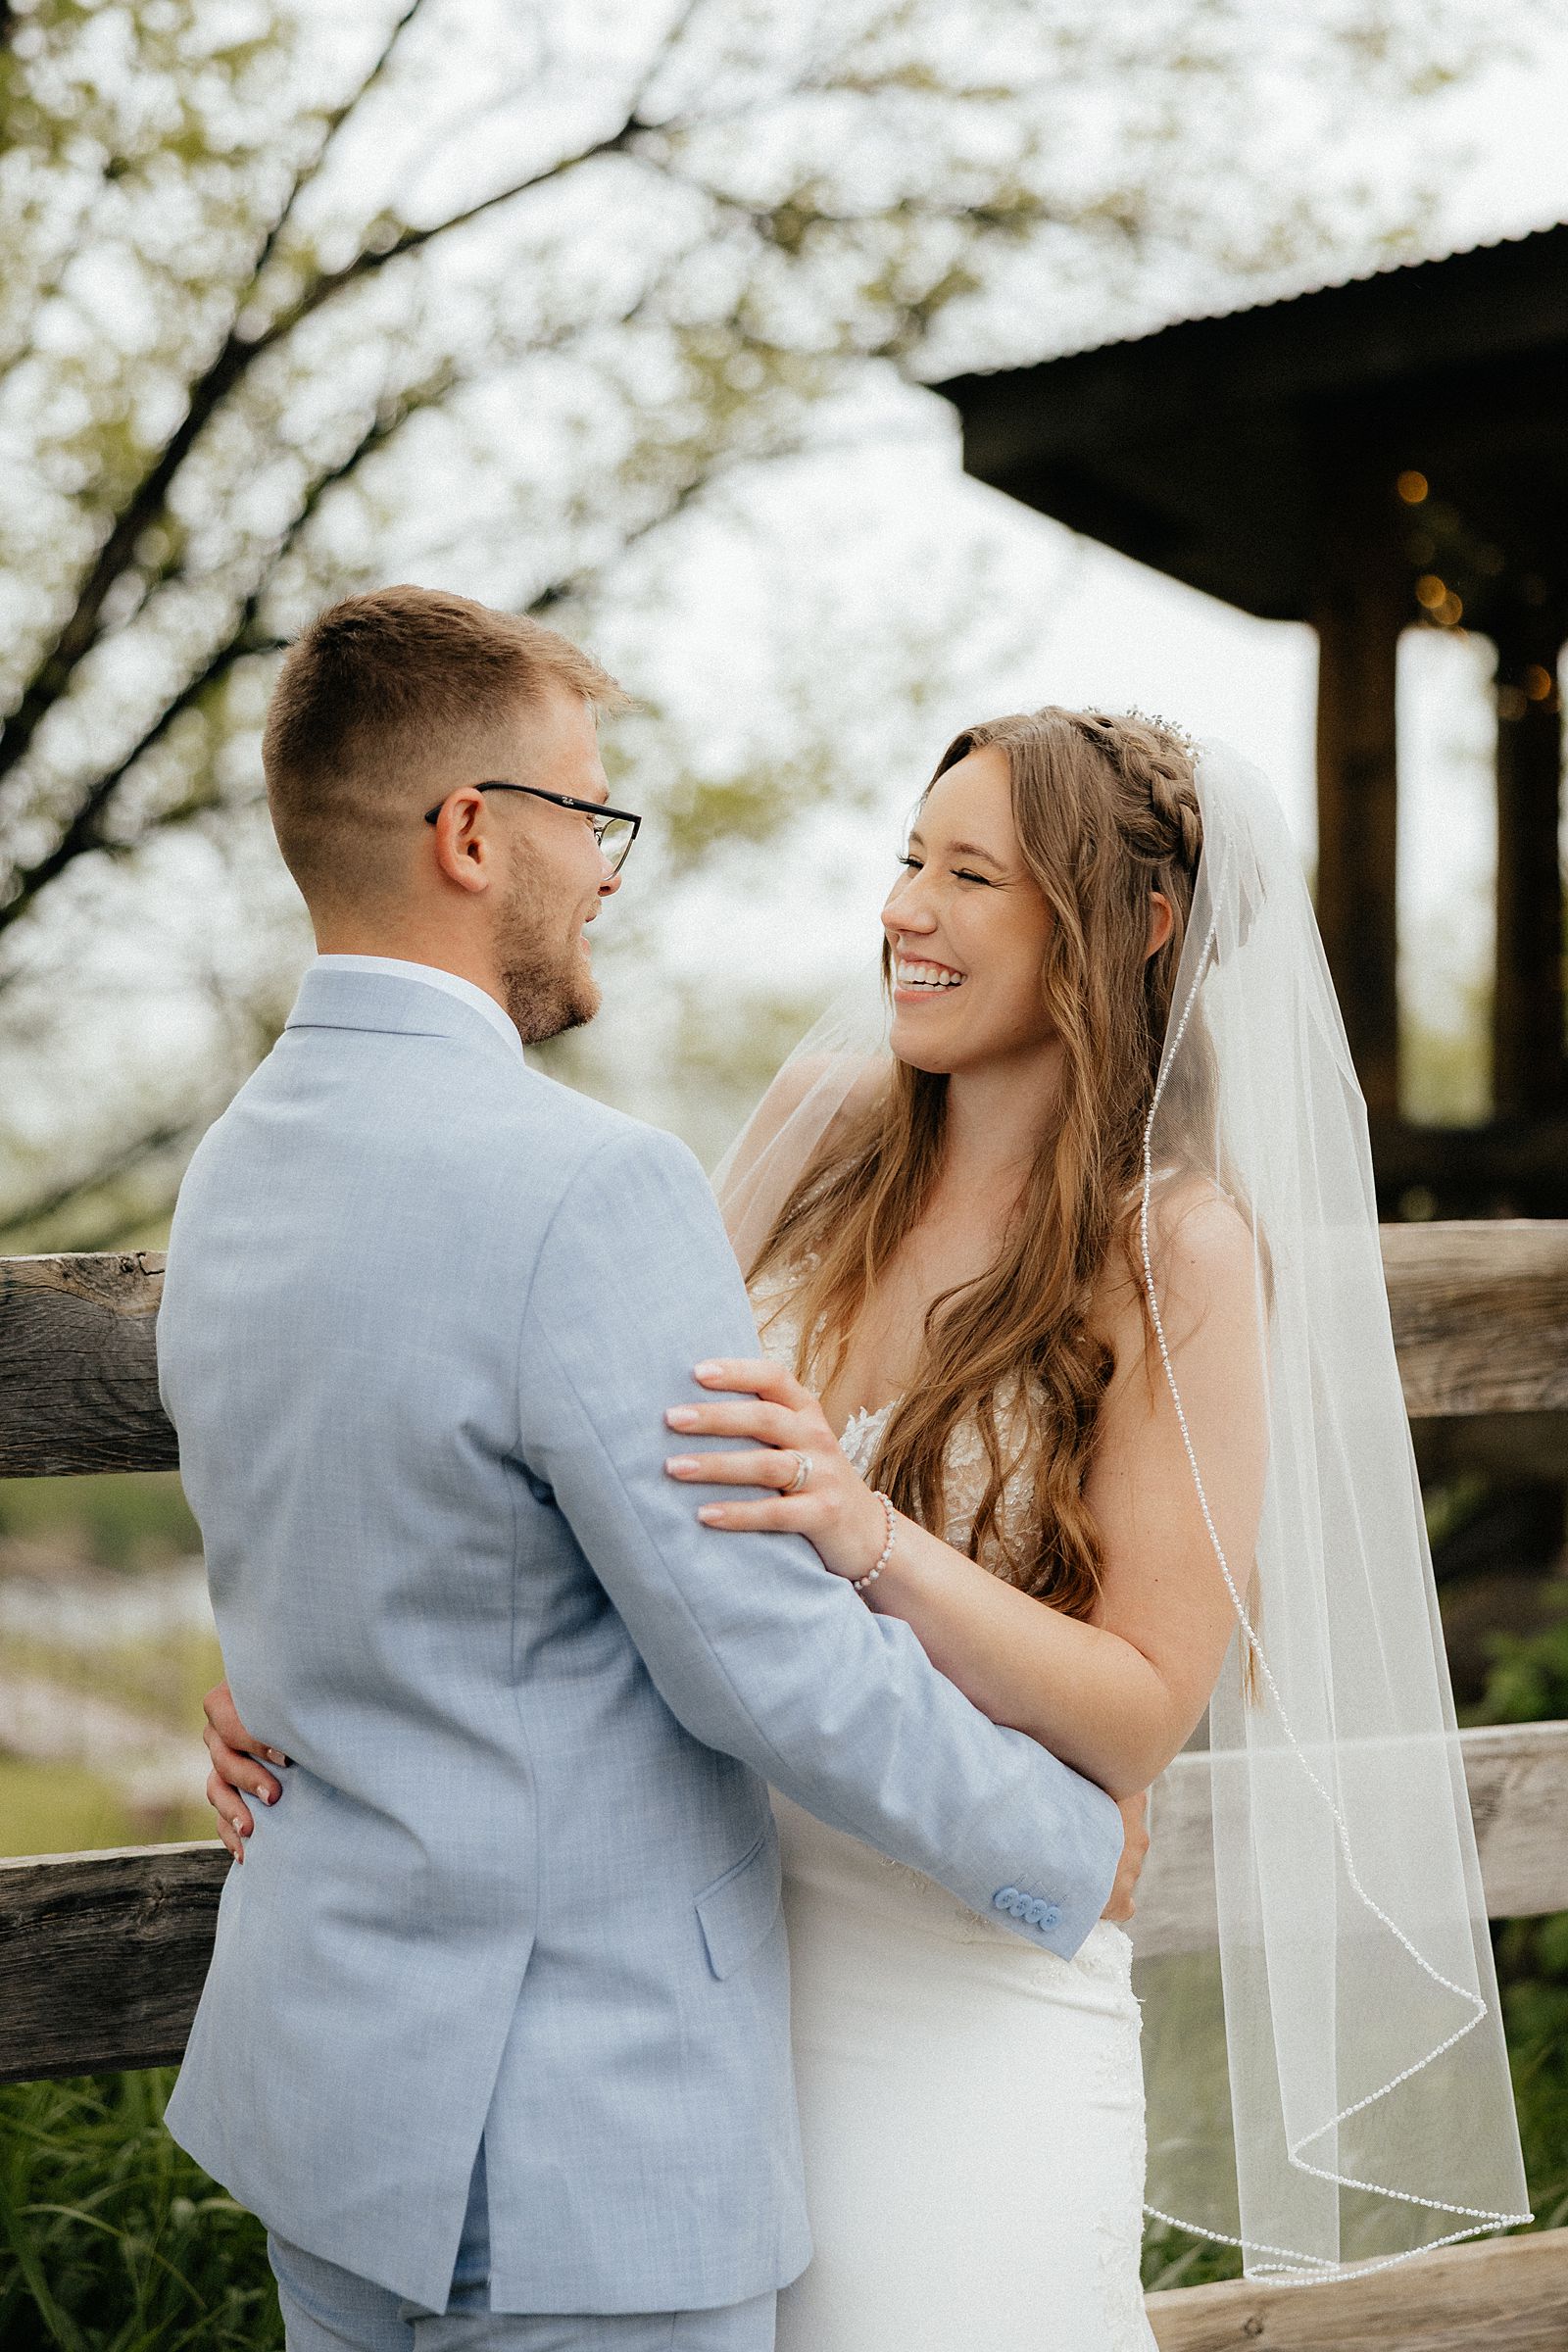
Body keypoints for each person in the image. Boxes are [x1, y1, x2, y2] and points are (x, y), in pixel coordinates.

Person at [160, 584, 1136, 2352]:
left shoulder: (235, 1164)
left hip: (324, 2117)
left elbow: (331, 1541)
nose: (609, 867)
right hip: (569, 2163)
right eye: (587, 817)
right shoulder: (585, 1190)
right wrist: (1065, 1844)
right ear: (472, 834)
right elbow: (762, 1648)